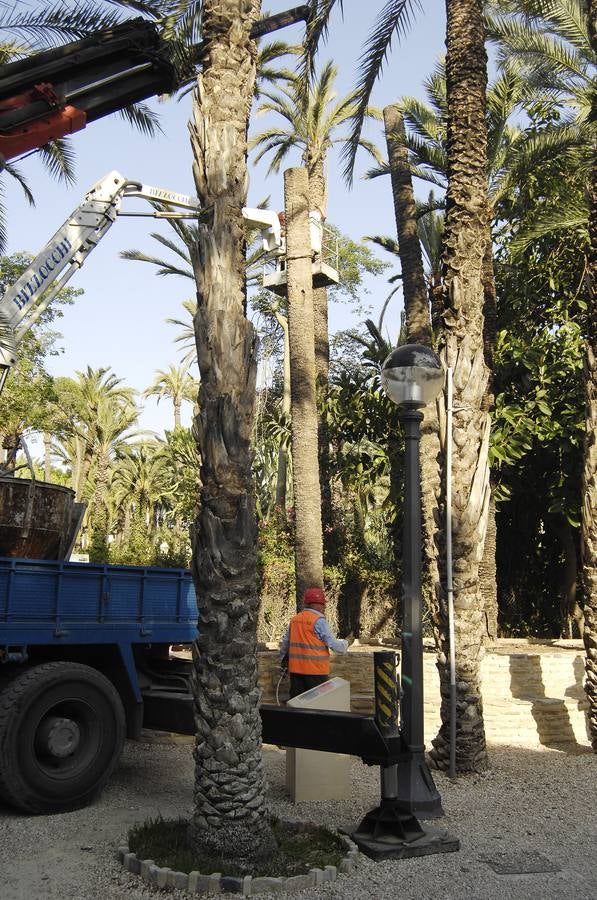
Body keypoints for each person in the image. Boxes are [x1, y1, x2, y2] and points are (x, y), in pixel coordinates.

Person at [279, 587, 349, 699]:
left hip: (296, 671)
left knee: (297, 704)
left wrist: (283, 661)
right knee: (317, 705)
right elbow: (334, 645)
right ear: (320, 604)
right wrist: (346, 643)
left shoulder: (295, 620)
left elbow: (285, 643)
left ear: (306, 603)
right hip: (316, 672)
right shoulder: (318, 621)